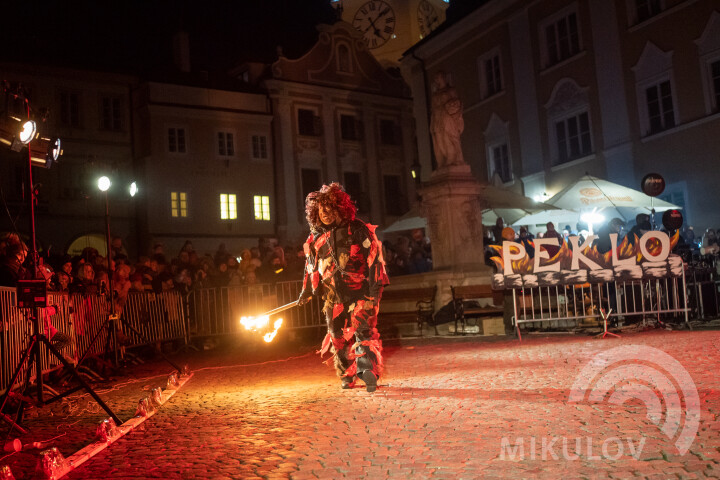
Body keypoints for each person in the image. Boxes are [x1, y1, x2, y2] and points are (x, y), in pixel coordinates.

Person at [297, 183, 389, 392]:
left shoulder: (357, 229)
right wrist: (306, 291)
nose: (325, 213)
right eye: (321, 210)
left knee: (363, 332)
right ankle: (346, 374)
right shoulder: (316, 238)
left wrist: (374, 293)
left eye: (330, 208)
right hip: (333, 297)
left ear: (340, 207)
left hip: (360, 293)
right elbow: (310, 267)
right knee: (336, 337)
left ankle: (368, 372)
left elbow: (375, 261)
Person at [430, 71, 465, 168]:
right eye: (436, 79)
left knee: (448, 137)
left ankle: (452, 158)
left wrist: (456, 114)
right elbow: (433, 108)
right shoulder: (435, 94)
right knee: (439, 139)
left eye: (438, 77)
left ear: (443, 78)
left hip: (446, 116)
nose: (437, 80)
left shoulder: (450, 91)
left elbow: (458, 103)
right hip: (437, 117)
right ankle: (443, 160)